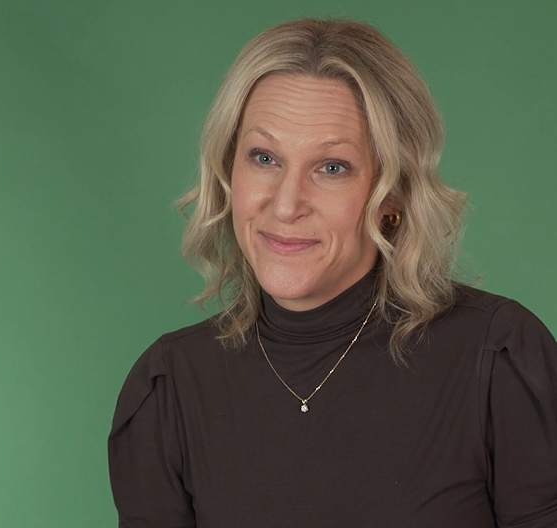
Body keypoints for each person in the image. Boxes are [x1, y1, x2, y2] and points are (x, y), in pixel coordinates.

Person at [107, 19, 557, 527]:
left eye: (332, 167)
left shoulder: (499, 358)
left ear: (394, 194)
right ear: (227, 172)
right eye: (264, 157)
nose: (286, 204)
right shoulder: (169, 387)